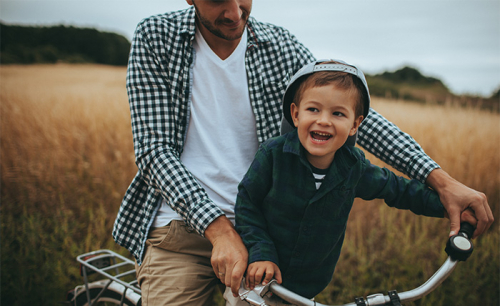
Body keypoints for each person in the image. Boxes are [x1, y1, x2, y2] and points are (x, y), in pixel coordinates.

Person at [112, 1, 493, 305]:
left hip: (270, 233)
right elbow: (153, 150)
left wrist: (439, 181)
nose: (233, 12)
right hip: (182, 226)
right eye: (216, 0)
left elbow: (353, 113)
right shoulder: (156, 36)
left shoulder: (280, 45)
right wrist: (220, 231)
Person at [232, 60, 447, 302]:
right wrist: (261, 252)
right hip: (256, 281)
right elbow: (246, 204)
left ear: (355, 124)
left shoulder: (354, 167)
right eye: (313, 109)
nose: (324, 120)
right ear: (295, 114)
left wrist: (447, 206)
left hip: (307, 290)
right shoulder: (273, 155)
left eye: (338, 113)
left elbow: (398, 189)